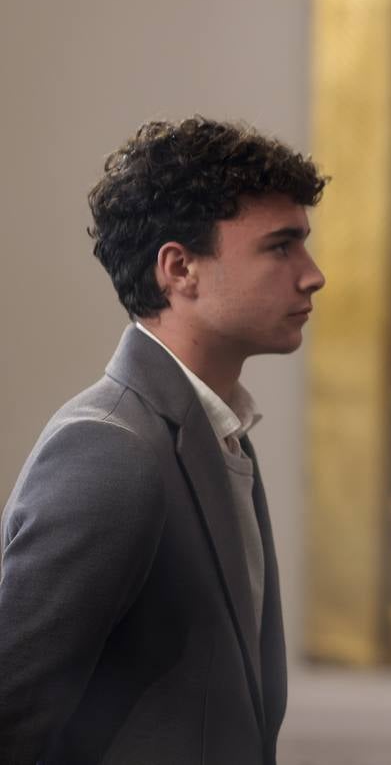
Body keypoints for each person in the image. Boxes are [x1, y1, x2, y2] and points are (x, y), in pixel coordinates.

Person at [0, 117, 327, 764]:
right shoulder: (110, 447)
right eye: (280, 247)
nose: (312, 274)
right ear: (180, 269)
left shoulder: (220, 435)